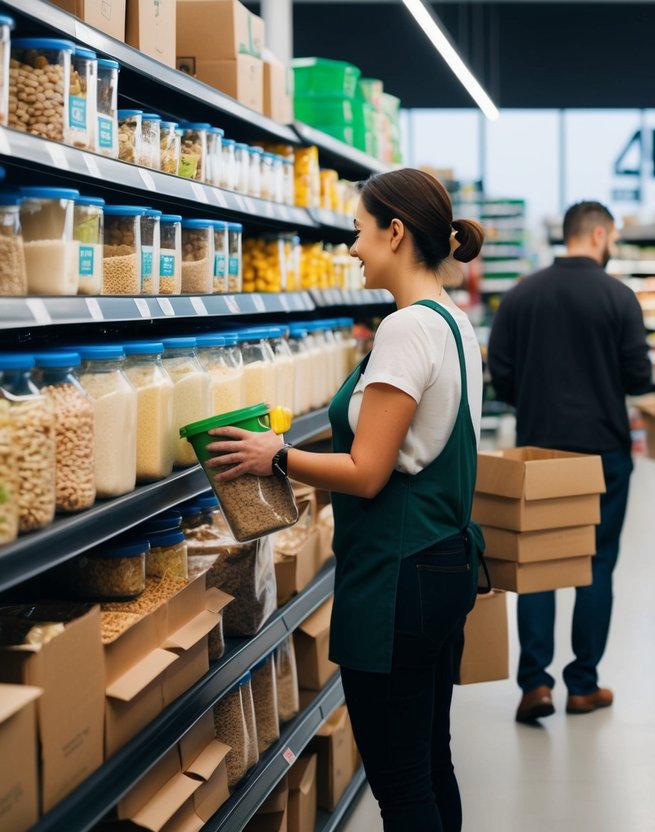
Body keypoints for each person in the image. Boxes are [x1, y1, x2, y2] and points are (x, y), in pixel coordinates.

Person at [204, 168, 487, 832]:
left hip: (400, 573)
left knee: (401, 783)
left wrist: (272, 456)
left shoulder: (407, 330)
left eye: (358, 231)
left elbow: (366, 472)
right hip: (441, 562)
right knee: (429, 761)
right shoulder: (450, 320)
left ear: (394, 232)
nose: (352, 248)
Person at [488, 201, 651, 724]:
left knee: (535, 565)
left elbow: (503, 378)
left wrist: (538, 400)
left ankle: (535, 685)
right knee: (596, 564)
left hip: (540, 452)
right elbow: (639, 378)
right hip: (603, 449)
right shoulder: (619, 297)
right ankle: (583, 684)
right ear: (599, 234)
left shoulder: (521, 294)